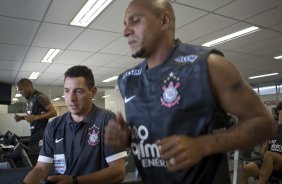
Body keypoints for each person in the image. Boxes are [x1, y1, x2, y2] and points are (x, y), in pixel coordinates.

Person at [104, 0, 277, 183]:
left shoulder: (209, 66)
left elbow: (266, 124)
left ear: (164, 21)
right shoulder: (127, 80)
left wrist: (203, 145)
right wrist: (128, 138)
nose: (126, 31)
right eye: (125, 24)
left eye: (135, 21)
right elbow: (153, 135)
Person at [23, 65, 127, 184]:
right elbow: (41, 168)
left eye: (78, 91)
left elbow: (118, 172)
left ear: (93, 92)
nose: (71, 98)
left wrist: (75, 181)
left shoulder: (107, 120)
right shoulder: (54, 126)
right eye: (67, 91)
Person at [14, 78, 57, 148]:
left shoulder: (40, 97)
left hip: (41, 134)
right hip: (34, 133)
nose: (20, 93)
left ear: (27, 86)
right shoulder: (29, 99)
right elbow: (32, 116)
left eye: (21, 90)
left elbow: (53, 112)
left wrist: (35, 117)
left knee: (33, 156)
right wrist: (21, 118)